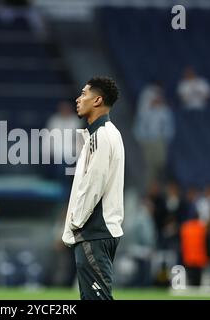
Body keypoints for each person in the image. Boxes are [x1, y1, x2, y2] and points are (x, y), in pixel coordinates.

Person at [62, 76, 124, 300]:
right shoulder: (104, 134)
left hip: (94, 230)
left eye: (84, 94)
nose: (78, 99)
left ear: (97, 100)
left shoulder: (101, 136)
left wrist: (75, 223)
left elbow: (93, 184)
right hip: (98, 231)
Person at [133, 92, 175, 188]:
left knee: (160, 164)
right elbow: (138, 128)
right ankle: (150, 187)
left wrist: (165, 139)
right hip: (147, 142)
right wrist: (142, 140)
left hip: (160, 141)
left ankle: (162, 185)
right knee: (149, 166)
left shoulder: (165, 112)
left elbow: (169, 128)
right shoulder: (144, 112)